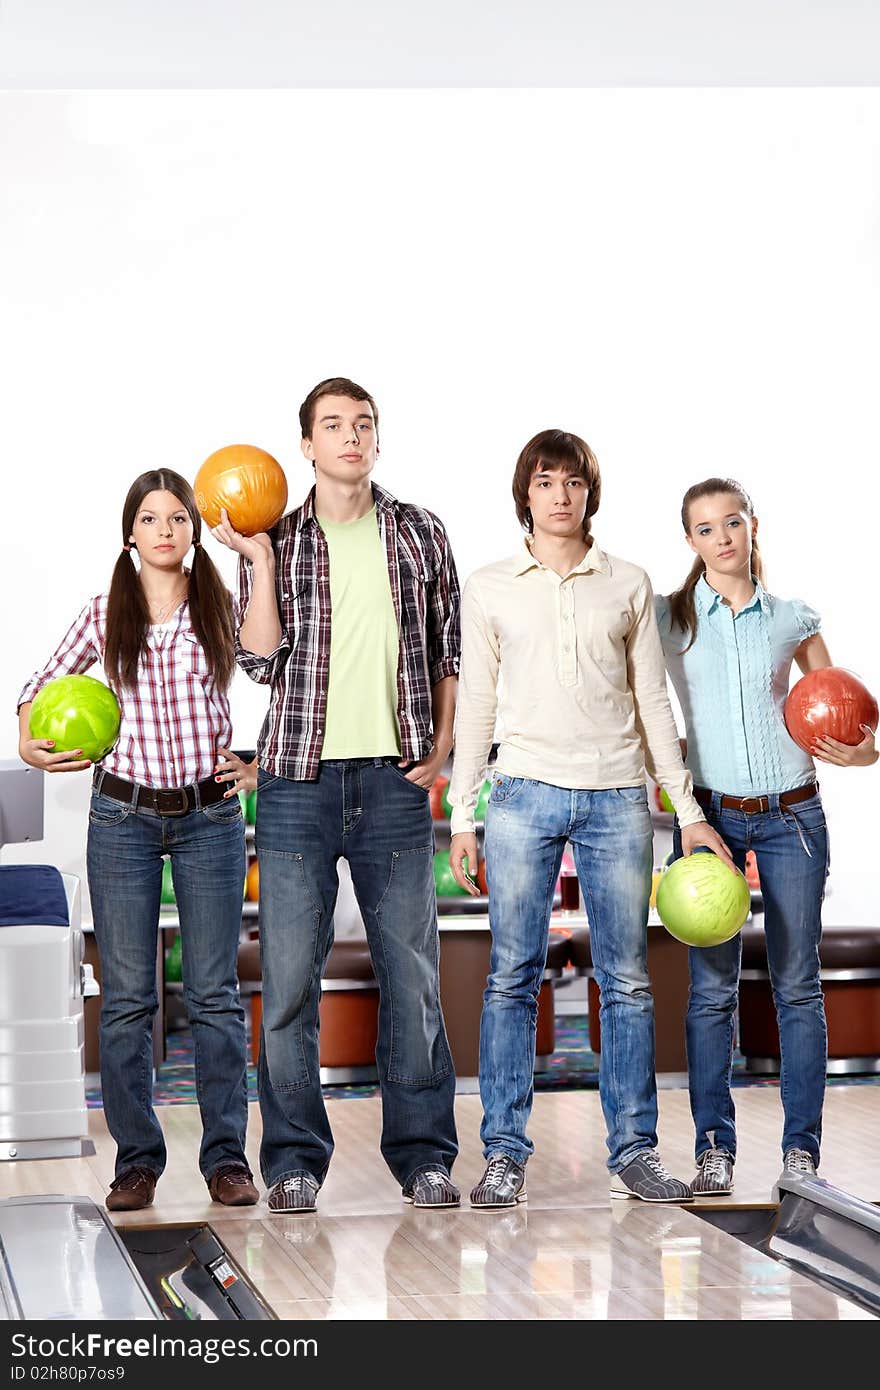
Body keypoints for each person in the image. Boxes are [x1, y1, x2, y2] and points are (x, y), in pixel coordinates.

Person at [447, 429, 731, 1209]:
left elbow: (652, 704)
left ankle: (635, 1151)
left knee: (628, 982)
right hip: (521, 794)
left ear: (588, 494)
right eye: (546, 482)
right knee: (511, 978)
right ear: (526, 495)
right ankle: (503, 1155)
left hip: (615, 797)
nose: (561, 495)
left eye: (573, 482)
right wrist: (461, 814)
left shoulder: (628, 583)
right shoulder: (491, 585)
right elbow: (474, 703)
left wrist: (687, 808)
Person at [213, 376, 461, 1214]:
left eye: (364, 424)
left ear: (377, 441)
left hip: (394, 782)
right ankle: (291, 1163)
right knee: (287, 984)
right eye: (333, 425)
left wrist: (447, 742)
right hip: (296, 785)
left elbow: (451, 650)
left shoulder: (421, 532)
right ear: (308, 446)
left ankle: (425, 1156)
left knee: (414, 978)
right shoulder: (277, 539)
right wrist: (256, 565)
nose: (350, 436)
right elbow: (258, 663)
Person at [17, 470, 258, 1212]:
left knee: (215, 994)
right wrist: (34, 750)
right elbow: (34, 698)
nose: (164, 529)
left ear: (192, 531)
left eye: (177, 518)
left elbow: (286, 675)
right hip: (121, 819)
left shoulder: (220, 606)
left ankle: (227, 1160)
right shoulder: (102, 613)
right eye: (150, 518)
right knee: (127, 999)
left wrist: (256, 764)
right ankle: (138, 1163)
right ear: (131, 533)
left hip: (209, 817)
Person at [655, 477, 877, 1196]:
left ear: (754, 527)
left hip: (792, 816)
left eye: (732, 523)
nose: (722, 538)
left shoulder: (793, 618)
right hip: (711, 820)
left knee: (796, 987)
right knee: (711, 991)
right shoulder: (671, 620)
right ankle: (714, 1149)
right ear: (689, 541)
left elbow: (840, 709)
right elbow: (630, 697)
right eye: (705, 529)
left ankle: (800, 1156)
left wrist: (866, 751)